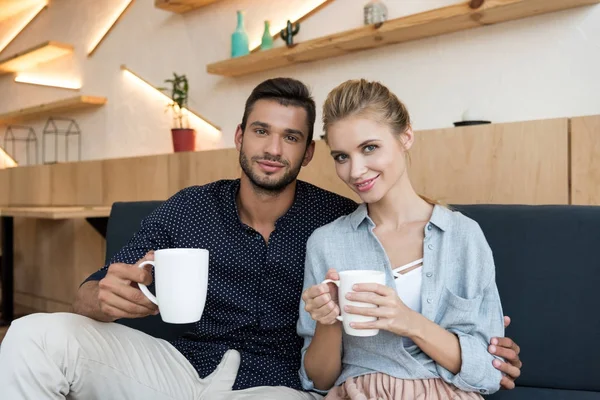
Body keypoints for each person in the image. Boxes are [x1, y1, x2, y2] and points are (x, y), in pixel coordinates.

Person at [0, 78, 520, 400]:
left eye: (292, 137)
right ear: (239, 136)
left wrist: (484, 348)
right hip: (175, 370)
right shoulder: (191, 208)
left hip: (274, 387)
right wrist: (101, 296)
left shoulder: (337, 221)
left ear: (307, 154)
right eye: (261, 131)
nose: (274, 148)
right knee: (33, 336)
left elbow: (469, 342)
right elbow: (96, 288)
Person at [299, 79, 513, 399]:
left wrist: (407, 321)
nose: (355, 171)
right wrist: (328, 321)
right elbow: (319, 381)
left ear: (406, 136)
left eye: (369, 147)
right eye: (341, 156)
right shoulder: (326, 243)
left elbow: (488, 372)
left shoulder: (463, 237)